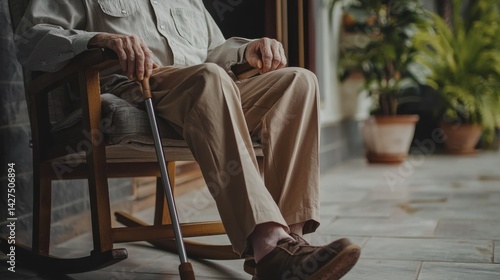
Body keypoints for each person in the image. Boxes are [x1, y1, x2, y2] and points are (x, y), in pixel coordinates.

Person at [16, 0, 361, 278]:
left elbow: (214, 51)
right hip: (138, 89)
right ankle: (269, 244)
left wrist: (246, 50)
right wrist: (97, 40)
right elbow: (31, 38)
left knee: (299, 81)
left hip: (206, 89)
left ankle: (289, 246)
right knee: (209, 78)